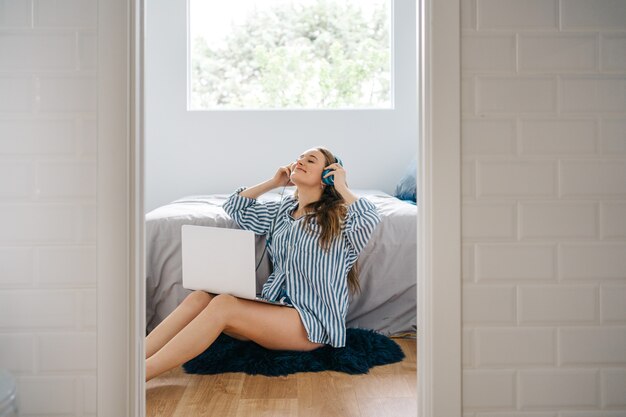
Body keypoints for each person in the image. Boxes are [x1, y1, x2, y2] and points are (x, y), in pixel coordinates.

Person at [145, 146, 381, 382]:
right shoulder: (281, 212)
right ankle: (134, 359)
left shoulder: (338, 220)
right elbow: (235, 206)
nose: (300, 162)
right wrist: (273, 183)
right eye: (299, 158)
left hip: (311, 323)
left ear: (326, 177)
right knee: (201, 297)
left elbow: (369, 217)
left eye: (310, 160)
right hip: (275, 308)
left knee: (224, 305)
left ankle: (140, 375)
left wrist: (341, 185)